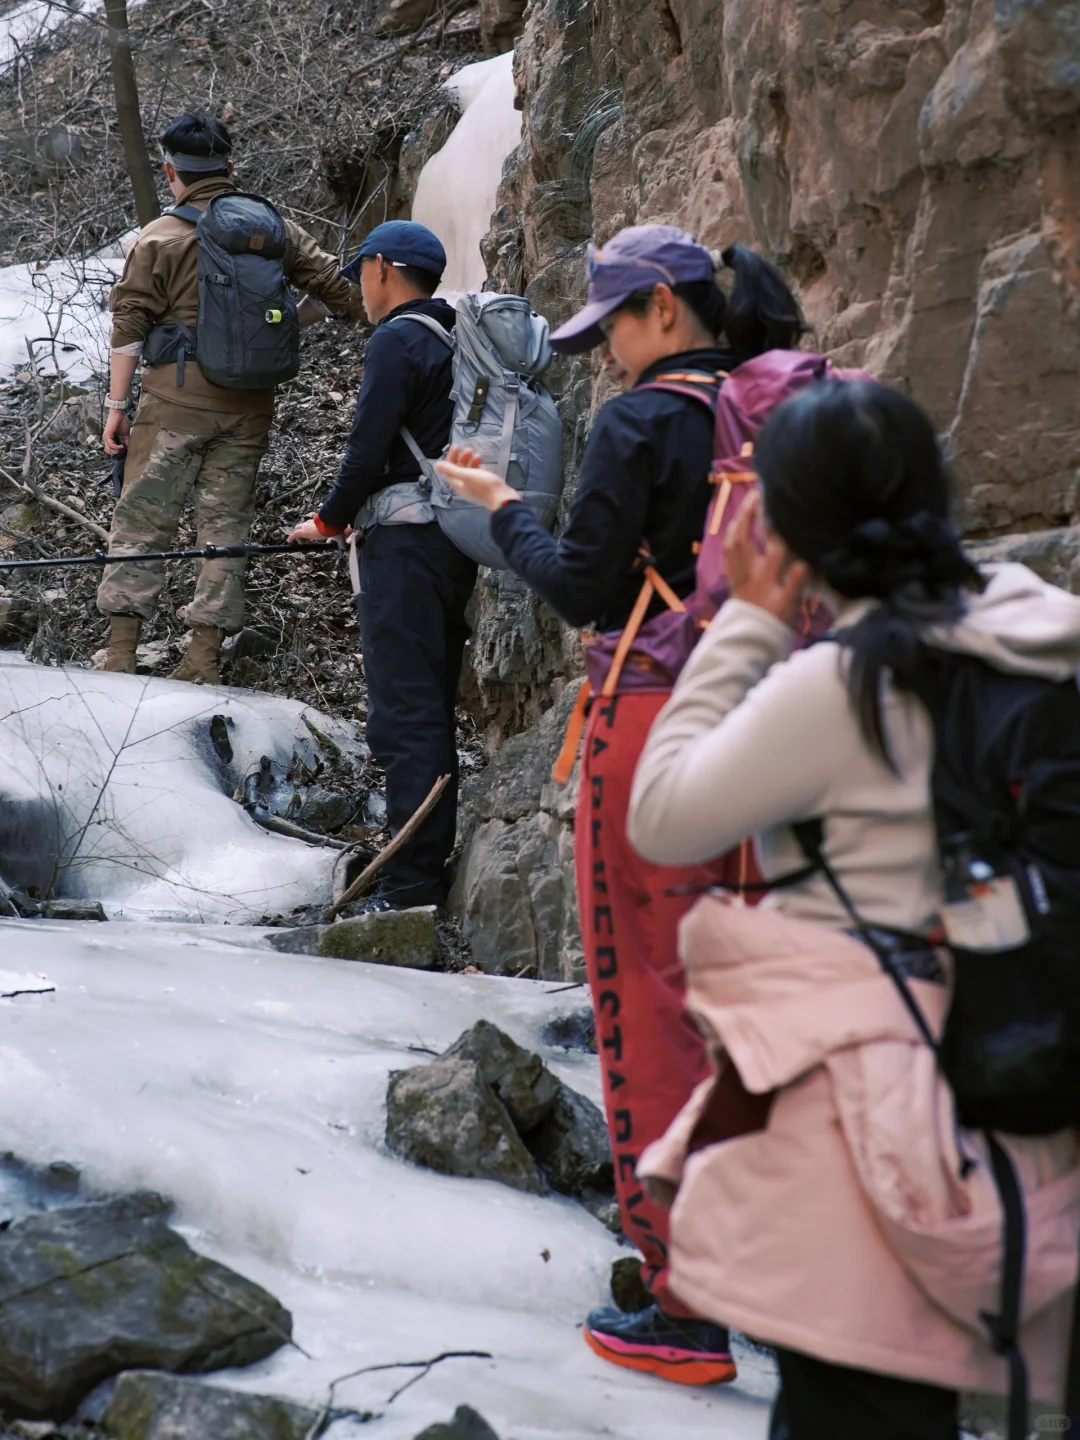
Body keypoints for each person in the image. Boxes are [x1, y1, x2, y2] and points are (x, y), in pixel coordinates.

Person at [627, 380, 1080, 1437]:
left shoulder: (844, 684)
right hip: (1030, 1072)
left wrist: (745, 622)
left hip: (872, 1112)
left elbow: (664, 815)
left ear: (785, 523)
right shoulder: (1042, 644)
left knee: (853, 1410)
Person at [435, 224, 805, 1385]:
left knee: (647, 993)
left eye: (610, 333)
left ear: (659, 309)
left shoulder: (647, 418)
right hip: (777, 718)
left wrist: (502, 507)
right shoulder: (785, 409)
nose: (605, 359)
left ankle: (683, 1301)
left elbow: (584, 585)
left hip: (656, 724)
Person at [98, 111, 367, 682]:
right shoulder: (273, 232)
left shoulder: (160, 238)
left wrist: (116, 410)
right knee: (225, 527)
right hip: (249, 406)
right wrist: (289, 325)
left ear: (171, 173)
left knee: (144, 521)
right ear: (231, 168)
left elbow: (129, 326)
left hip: (175, 403)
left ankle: (121, 654)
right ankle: (202, 659)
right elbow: (344, 295)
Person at [288, 220, 477, 913]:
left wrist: (330, 519)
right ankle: (420, 870)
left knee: (407, 715)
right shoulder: (453, 333)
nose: (360, 288)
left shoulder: (398, 337)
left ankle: (410, 888)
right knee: (428, 702)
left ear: (383, 270)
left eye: (362, 272)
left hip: (404, 544)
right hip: (452, 540)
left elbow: (368, 449)